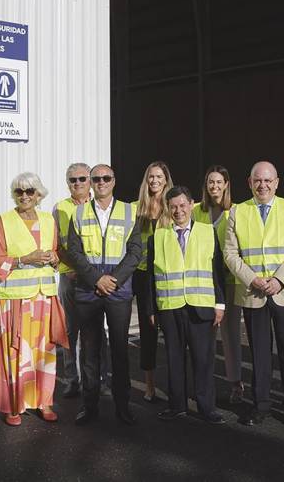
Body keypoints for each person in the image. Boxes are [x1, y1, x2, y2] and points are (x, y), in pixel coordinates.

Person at [223, 161, 284, 429]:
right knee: (259, 353)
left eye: (268, 180)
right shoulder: (238, 211)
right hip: (253, 291)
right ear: (249, 183)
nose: (263, 185)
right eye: (258, 181)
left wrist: (279, 280)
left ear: (277, 182)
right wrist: (253, 279)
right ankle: (261, 405)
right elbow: (230, 253)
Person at [65, 164, 142, 426]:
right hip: (89, 290)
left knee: (119, 350)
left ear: (114, 181)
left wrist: (113, 280)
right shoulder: (78, 214)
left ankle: (122, 406)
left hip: (118, 291)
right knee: (90, 351)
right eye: (95, 179)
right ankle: (90, 406)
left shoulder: (130, 212)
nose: (100, 182)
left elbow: (135, 253)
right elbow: (74, 253)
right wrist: (96, 279)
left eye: (105, 178)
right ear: (90, 183)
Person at [0, 172, 68, 425]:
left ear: (39, 195)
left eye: (30, 191)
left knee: (44, 353)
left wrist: (55, 258)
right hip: (15, 300)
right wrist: (25, 259)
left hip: (43, 298)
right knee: (15, 354)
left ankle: (44, 402)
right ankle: (14, 405)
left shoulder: (48, 220)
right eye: (19, 192)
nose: (24, 196)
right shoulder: (3, 221)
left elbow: (56, 253)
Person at [147, 186, 227, 424]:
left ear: (191, 205)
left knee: (203, 360)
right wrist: (151, 309)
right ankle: (177, 405)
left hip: (201, 305)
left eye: (183, 205)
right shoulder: (157, 237)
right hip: (170, 306)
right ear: (167, 208)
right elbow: (152, 277)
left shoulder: (207, 232)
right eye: (173, 207)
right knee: (174, 358)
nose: (178, 211)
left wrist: (220, 303)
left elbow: (217, 271)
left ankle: (206, 407)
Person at [53, 163, 111, 399]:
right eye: (72, 180)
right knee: (70, 331)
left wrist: (92, 274)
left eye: (81, 179)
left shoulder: (99, 205)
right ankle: (71, 379)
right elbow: (56, 243)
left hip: (95, 280)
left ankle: (101, 379)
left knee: (98, 330)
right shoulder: (60, 208)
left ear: (90, 181)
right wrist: (72, 268)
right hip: (70, 277)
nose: (77, 183)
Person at [192, 165, 244, 404]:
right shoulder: (195, 212)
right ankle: (205, 383)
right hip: (204, 282)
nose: (214, 186)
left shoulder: (237, 211)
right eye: (210, 182)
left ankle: (235, 383)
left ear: (226, 185)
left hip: (230, 280)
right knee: (205, 335)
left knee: (230, 335)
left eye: (218, 182)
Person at [132, 161, 173, 402]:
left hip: (166, 274)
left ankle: (174, 382)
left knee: (171, 331)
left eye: (159, 177)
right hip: (142, 274)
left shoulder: (173, 206)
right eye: (150, 177)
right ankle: (149, 385)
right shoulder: (136, 208)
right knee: (148, 332)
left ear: (166, 180)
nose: (154, 181)